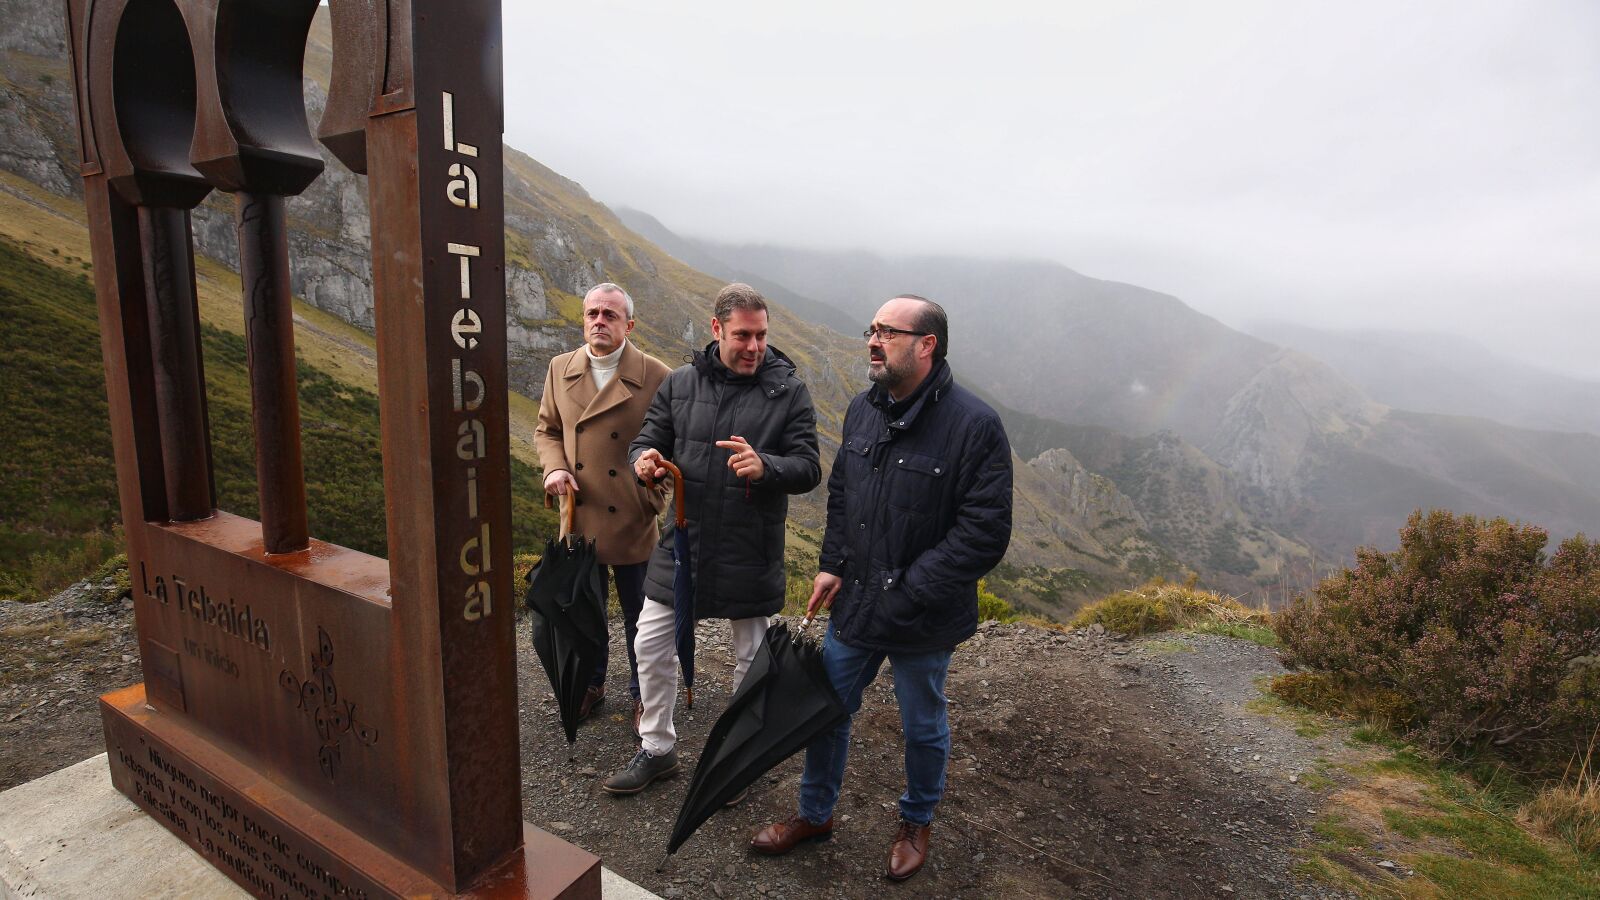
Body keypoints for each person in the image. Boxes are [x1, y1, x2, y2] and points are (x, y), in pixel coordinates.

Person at [749, 295, 1013, 881]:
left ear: (927, 345)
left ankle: (916, 821)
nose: (873, 340)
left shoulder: (975, 425)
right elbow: (843, 496)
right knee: (827, 709)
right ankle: (814, 815)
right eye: (872, 329)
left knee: (922, 724)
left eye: (889, 332)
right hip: (858, 601)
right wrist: (832, 563)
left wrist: (910, 588)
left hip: (923, 612)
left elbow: (984, 533)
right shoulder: (862, 410)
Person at [601, 283, 821, 795]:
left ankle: (735, 760)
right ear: (717, 329)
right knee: (650, 643)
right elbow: (647, 439)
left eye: (761, 335)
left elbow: (809, 467)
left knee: (752, 659)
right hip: (683, 542)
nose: (755, 347)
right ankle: (657, 748)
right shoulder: (679, 384)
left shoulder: (789, 391)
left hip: (750, 547)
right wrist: (643, 462)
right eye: (743, 335)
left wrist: (766, 466)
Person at [534, 282, 672, 732]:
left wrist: (653, 489)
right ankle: (589, 685)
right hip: (580, 512)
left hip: (631, 515)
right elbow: (547, 429)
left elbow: (674, 442)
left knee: (641, 618)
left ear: (629, 325)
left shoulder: (656, 375)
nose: (599, 321)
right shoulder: (560, 368)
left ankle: (643, 695)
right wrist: (554, 469)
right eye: (592, 313)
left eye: (610, 314)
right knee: (582, 612)